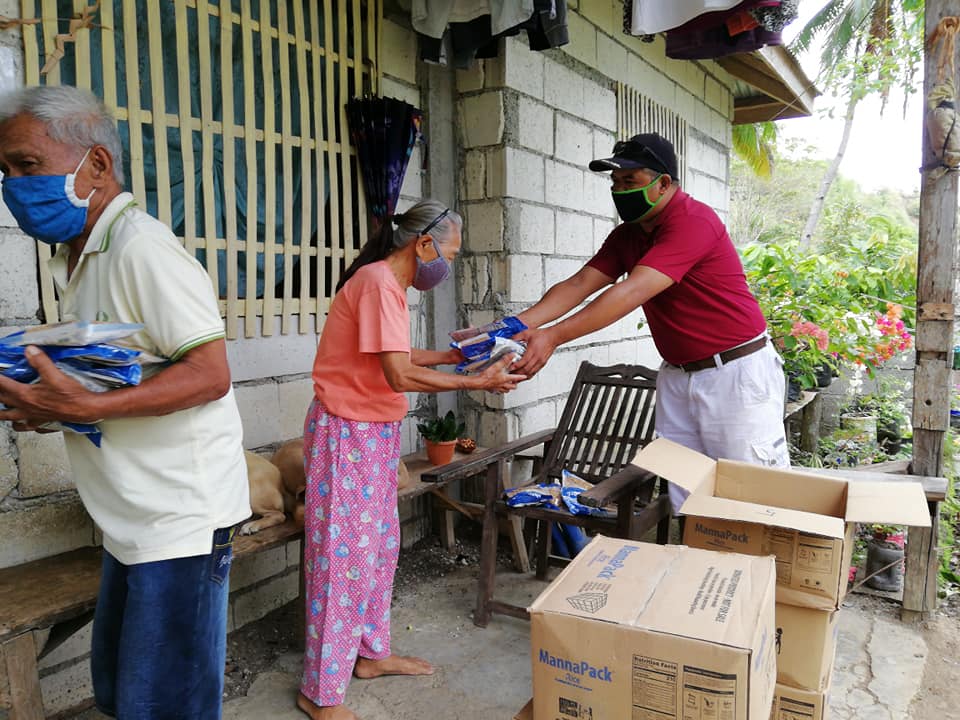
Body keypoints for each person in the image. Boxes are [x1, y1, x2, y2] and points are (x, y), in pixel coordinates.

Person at [0, 85, 249, 719]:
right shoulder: (79, 257)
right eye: (5, 171)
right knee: (127, 696)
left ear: (98, 165)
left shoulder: (140, 248)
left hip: (178, 521)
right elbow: (119, 376)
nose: (13, 186)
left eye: (27, 165)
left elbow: (210, 374)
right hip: (131, 519)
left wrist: (84, 409)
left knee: (162, 706)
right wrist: (56, 402)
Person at [298, 200, 523, 720]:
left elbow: (392, 358)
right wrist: (475, 382)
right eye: (450, 254)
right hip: (347, 432)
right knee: (342, 560)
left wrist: (451, 357)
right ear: (423, 245)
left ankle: (370, 654)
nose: (448, 266)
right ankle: (319, 691)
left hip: (370, 432)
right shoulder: (379, 283)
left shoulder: (388, 285)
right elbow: (398, 375)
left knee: (379, 548)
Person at [512, 132, 789, 508]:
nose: (620, 190)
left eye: (630, 181)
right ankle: (700, 548)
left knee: (751, 493)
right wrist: (514, 327)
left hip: (734, 374)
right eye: (615, 182)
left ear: (663, 183)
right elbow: (579, 284)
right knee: (688, 493)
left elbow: (630, 292)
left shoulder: (694, 221)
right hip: (678, 375)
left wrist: (552, 337)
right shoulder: (628, 235)